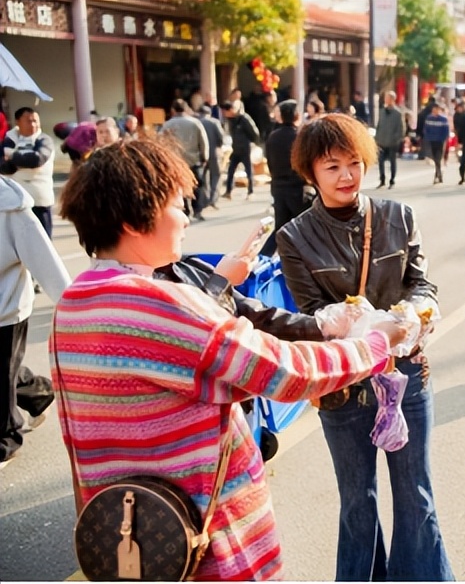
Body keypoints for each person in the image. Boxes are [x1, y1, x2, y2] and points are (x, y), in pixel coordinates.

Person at [52, 136, 406, 580]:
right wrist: (376, 344)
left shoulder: (75, 302)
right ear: (134, 222)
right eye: (177, 205)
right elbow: (287, 373)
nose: (184, 219)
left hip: (131, 536)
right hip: (205, 541)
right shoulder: (162, 304)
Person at [276, 114, 454, 581]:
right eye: (332, 167)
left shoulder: (398, 216)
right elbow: (311, 316)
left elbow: (423, 283)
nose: (347, 176)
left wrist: (413, 313)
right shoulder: (293, 237)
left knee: (416, 493)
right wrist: (343, 321)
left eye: (354, 163)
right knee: (357, 501)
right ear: (310, 173)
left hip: (405, 373)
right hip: (343, 385)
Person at [0, 176, 70, 469]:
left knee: (2, 372)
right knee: (7, 369)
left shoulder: (11, 206)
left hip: (6, 307)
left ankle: (6, 441)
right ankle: (38, 393)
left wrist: (74, 307)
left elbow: (45, 261)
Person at [261, 99, 309, 256]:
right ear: (296, 116)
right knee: (304, 226)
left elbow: (269, 162)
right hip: (297, 188)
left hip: (278, 187)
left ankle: (262, 257)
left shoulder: (273, 136)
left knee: (281, 227)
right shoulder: (300, 136)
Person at [1, 107, 56, 238]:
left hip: (40, 201)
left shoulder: (44, 140)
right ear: (17, 122)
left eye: (35, 121)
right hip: (16, 202)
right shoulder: (8, 141)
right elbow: (4, 167)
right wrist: (20, 161)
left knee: (44, 241)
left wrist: (12, 156)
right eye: (28, 121)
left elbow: (36, 160)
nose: (33, 125)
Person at [160, 99, 209, 221]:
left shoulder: (167, 125)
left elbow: (160, 141)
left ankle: (186, 210)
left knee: (180, 187)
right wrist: (205, 156)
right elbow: (203, 141)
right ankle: (198, 210)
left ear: (173, 110)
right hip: (193, 159)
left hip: (176, 161)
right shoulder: (195, 123)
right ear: (186, 108)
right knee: (196, 186)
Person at [221, 100, 259, 200]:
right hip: (235, 149)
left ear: (231, 110)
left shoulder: (244, 118)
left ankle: (250, 191)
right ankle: (228, 191)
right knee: (230, 170)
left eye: (225, 112)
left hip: (245, 148)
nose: (224, 114)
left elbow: (254, 133)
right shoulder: (230, 120)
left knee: (248, 171)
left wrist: (251, 142)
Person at [375, 91, 405, 190]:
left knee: (392, 161)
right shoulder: (382, 111)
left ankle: (392, 180)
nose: (386, 100)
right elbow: (379, 125)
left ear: (392, 99)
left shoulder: (398, 113)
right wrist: (377, 138)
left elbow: (401, 128)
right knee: (380, 161)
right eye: (385, 98)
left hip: (392, 142)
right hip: (382, 140)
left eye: (388, 98)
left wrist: (397, 139)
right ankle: (382, 179)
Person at [197, 104, 225, 208]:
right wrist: (219, 146)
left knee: (203, 177)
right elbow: (221, 137)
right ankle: (213, 198)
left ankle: (203, 200)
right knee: (216, 175)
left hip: (200, 153)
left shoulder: (197, 122)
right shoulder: (215, 122)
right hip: (214, 152)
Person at [423, 102, 450, 184]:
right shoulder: (429, 118)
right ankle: (439, 174)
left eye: (437, 109)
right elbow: (426, 129)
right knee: (435, 158)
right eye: (434, 109)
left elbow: (446, 131)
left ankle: (437, 175)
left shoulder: (443, 119)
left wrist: (443, 139)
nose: (435, 111)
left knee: (438, 158)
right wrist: (427, 137)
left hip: (440, 141)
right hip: (432, 140)